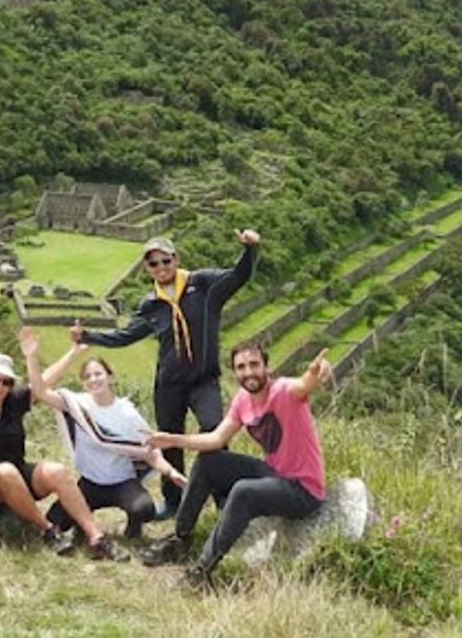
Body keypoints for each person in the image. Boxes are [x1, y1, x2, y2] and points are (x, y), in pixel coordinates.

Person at [72, 230, 260, 516]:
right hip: (169, 385)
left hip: (203, 380)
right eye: (153, 264)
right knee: (169, 440)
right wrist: (88, 336)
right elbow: (125, 335)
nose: (161, 267)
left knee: (213, 430)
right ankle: (174, 501)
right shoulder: (151, 304)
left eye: (165, 260)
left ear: (176, 259)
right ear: (147, 269)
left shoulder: (204, 284)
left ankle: (224, 497)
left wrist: (250, 249)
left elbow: (239, 276)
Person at [0, 327, 128, 560]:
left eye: (6, 382)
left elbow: (46, 379)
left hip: (19, 473)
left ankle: (96, 537)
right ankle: (48, 530)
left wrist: (71, 352)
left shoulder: (14, 402)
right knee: (5, 471)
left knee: (57, 471)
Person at [141, 342, 331, 589]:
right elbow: (216, 439)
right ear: (234, 373)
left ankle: (201, 572)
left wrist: (316, 374)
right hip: (274, 474)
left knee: (243, 491)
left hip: (303, 490)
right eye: (241, 367)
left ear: (267, 367)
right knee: (209, 461)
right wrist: (172, 439)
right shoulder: (243, 400)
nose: (248, 372)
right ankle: (180, 539)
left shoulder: (284, 391)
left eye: (254, 364)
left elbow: (304, 384)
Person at [19, 326, 187, 539]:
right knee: (55, 520)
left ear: (110, 378)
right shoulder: (77, 404)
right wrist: (32, 356)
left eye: (98, 374)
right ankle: (83, 522)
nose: (93, 379)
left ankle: (133, 527)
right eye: (87, 376)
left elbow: (149, 451)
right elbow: (40, 390)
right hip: (90, 483)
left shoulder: (127, 412)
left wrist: (170, 472)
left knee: (144, 509)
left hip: (122, 482)